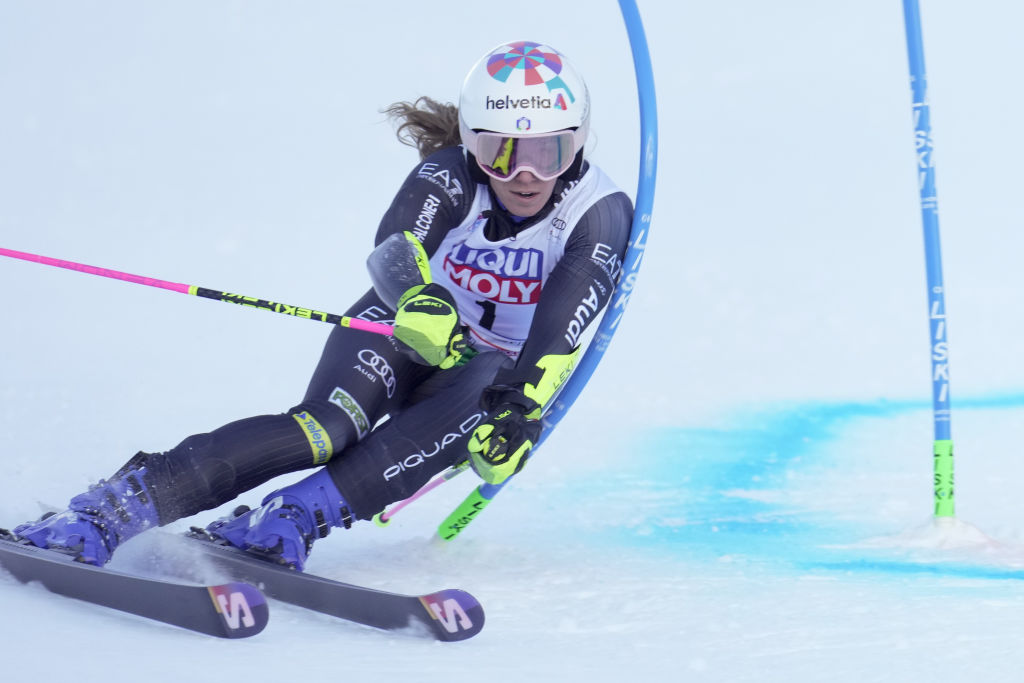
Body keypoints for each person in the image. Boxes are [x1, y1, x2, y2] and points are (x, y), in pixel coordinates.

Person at [12, 40, 633, 571]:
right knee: (325, 430)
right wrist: (420, 300)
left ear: (576, 143)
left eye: (547, 153)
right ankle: (116, 507)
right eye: (502, 152)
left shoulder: (597, 213)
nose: (524, 174)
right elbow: (396, 247)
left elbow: (566, 320)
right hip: (406, 325)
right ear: (472, 143)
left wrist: (520, 410)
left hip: (490, 366)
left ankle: (287, 519)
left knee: (482, 402)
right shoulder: (451, 175)